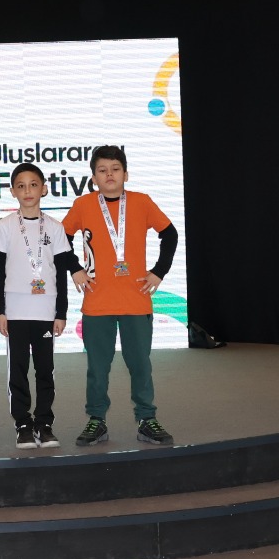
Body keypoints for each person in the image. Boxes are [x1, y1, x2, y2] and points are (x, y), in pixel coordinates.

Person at [63, 145, 179, 446]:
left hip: (135, 300)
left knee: (140, 364)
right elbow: (62, 238)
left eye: (115, 169)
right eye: (102, 170)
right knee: (97, 369)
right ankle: (96, 420)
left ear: (126, 174)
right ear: (93, 178)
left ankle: (146, 418)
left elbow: (170, 234)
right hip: (97, 302)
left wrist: (159, 272)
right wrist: (75, 269)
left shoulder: (141, 202)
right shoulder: (83, 204)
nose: (109, 175)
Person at [0, 163, 80, 449]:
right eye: (21, 185)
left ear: (44, 189)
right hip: (15, 311)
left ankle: (44, 423)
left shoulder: (55, 227)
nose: (27, 191)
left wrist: (61, 313)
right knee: (17, 369)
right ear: (12, 191)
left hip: (45, 311)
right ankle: (23, 424)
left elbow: (62, 272)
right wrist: (0, 310)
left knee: (45, 369)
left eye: (33, 184)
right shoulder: (4, 226)